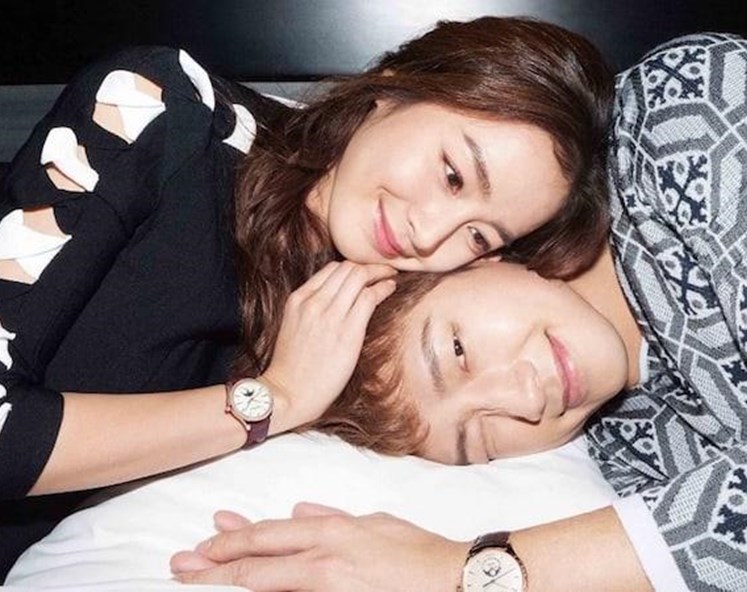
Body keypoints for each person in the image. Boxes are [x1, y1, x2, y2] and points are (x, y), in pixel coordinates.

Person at [171, 32, 747, 591]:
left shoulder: (688, 115)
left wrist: (469, 572)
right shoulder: (626, 451)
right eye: (477, 440)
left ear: (474, 259)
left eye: (457, 352)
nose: (521, 399)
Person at [0, 16, 615, 577]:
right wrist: (271, 401)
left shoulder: (380, 315)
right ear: (391, 88)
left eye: (479, 234)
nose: (429, 232)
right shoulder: (156, 110)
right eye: (452, 174)